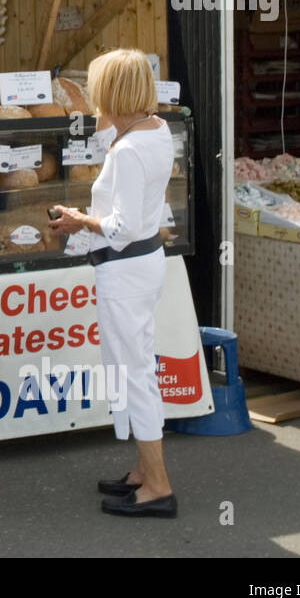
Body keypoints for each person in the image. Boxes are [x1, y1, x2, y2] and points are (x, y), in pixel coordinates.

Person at [48, 48, 177, 518]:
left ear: (112, 93)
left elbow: (119, 227)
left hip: (124, 269)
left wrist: (77, 219)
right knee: (132, 367)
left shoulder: (127, 150)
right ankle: (144, 470)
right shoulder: (157, 130)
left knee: (134, 373)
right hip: (146, 264)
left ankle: (158, 485)